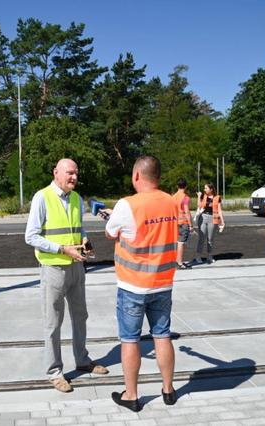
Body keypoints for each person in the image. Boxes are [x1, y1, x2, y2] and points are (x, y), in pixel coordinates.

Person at [24, 158, 108, 393]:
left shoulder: (76, 198)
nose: (74, 177)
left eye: (76, 173)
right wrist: (62, 249)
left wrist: (84, 241)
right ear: (56, 173)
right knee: (53, 323)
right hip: (53, 269)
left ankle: (82, 360)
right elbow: (30, 236)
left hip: (76, 267)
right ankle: (54, 372)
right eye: (69, 173)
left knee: (80, 316)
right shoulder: (42, 197)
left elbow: (78, 228)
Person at [104, 155, 178, 412]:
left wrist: (113, 217)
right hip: (163, 283)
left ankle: (132, 395)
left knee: (130, 340)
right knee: (162, 335)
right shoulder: (172, 202)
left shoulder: (127, 204)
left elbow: (110, 232)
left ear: (137, 175)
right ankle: (168, 389)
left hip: (133, 286)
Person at [194, 183, 225, 264]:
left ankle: (210, 256)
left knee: (210, 239)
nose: (204, 189)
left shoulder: (217, 197)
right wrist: (198, 196)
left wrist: (222, 221)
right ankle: (198, 256)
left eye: (206, 188)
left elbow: (219, 210)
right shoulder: (202, 196)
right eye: (204, 188)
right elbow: (199, 206)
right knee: (201, 238)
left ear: (211, 189)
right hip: (203, 217)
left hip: (213, 218)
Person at [172, 178, 193, 269]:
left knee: (177, 242)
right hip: (183, 222)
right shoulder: (185, 197)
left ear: (177, 186)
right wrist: (190, 225)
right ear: (186, 186)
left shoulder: (173, 197)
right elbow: (187, 212)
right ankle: (179, 263)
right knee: (181, 242)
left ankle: (176, 261)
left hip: (175, 222)